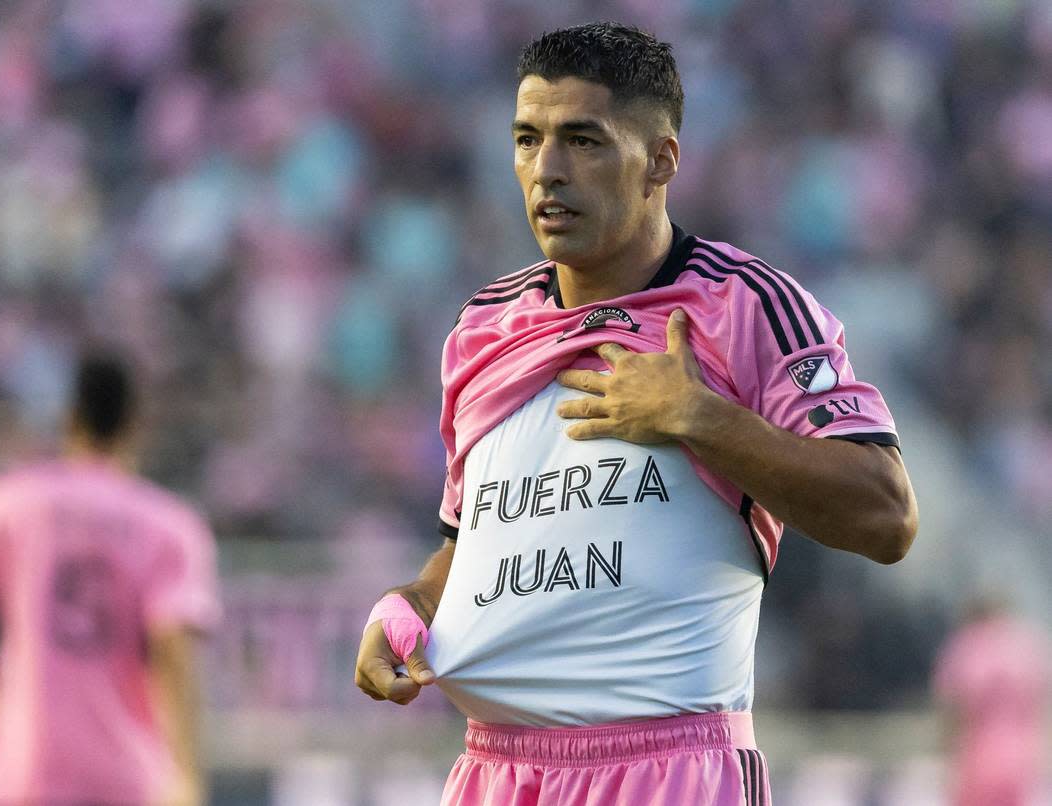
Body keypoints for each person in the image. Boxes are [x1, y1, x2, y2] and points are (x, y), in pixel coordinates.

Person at [355, 22, 918, 806]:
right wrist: (408, 607)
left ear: (661, 160)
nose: (546, 171)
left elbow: (887, 514)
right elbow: (468, 551)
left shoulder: (748, 307)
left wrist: (699, 417)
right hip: (496, 774)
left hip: (672, 771)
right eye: (527, 139)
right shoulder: (482, 328)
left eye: (583, 140)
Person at [0, 351, 221, 806]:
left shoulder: (7, 506)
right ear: (135, 425)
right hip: (124, 776)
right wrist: (188, 776)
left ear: (69, 418)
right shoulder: (170, 526)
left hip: (25, 772)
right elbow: (174, 659)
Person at [933, 597, 1051, 806]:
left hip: (976, 759)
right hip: (1021, 759)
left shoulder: (968, 646)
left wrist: (946, 754)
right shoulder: (1026, 647)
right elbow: (1039, 704)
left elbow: (954, 709)